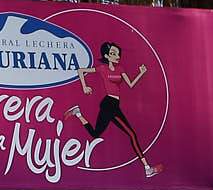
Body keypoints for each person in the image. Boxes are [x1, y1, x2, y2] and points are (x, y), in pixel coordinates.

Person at [65, 42, 160, 179]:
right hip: (109, 104)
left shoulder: (120, 68)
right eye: (113, 54)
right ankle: (147, 168)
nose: (117, 56)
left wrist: (141, 73)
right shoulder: (102, 68)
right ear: (106, 56)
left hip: (113, 104)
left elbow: (131, 85)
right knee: (132, 134)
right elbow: (81, 70)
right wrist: (84, 86)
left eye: (117, 54)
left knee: (96, 134)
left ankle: (78, 113)